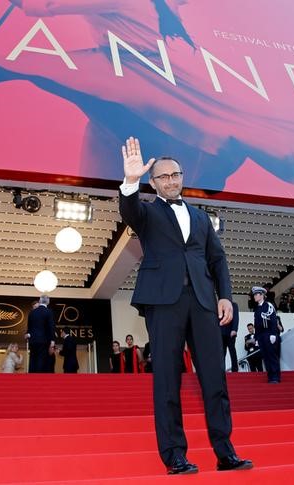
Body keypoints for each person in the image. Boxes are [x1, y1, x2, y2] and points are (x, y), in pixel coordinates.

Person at [118, 136, 251, 474]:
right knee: (166, 380)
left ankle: (225, 452)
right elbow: (129, 210)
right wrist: (130, 181)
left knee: (215, 379)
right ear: (154, 182)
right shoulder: (146, 212)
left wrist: (225, 296)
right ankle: (174, 455)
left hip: (204, 302)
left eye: (175, 174)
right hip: (164, 303)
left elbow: (217, 259)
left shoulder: (201, 217)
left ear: (182, 176)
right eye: (163, 176)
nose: (171, 180)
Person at [252, 286, 281, 384]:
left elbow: (273, 319)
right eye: (254, 294)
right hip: (261, 336)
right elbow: (256, 325)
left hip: (269, 333)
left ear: (262, 295)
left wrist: (273, 333)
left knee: (272, 356)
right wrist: (256, 338)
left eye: (256, 294)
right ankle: (270, 377)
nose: (254, 296)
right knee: (266, 357)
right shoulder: (257, 309)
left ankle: (276, 377)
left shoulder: (268, 305)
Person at [25, 295, 56, 373]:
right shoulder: (49, 312)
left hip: (33, 340)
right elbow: (51, 327)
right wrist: (52, 341)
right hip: (44, 340)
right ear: (48, 302)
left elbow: (29, 328)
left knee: (32, 359)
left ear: (39, 301)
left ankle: (31, 379)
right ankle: (38, 380)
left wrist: (29, 335)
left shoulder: (32, 312)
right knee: (41, 360)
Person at [221, 302, 239, 372]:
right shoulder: (220, 305)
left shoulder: (234, 305)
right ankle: (221, 370)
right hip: (221, 333)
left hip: (230, 332)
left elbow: (236, 317)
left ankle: (235, 369)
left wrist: (234, 329)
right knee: (222, 352)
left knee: (232, 351)